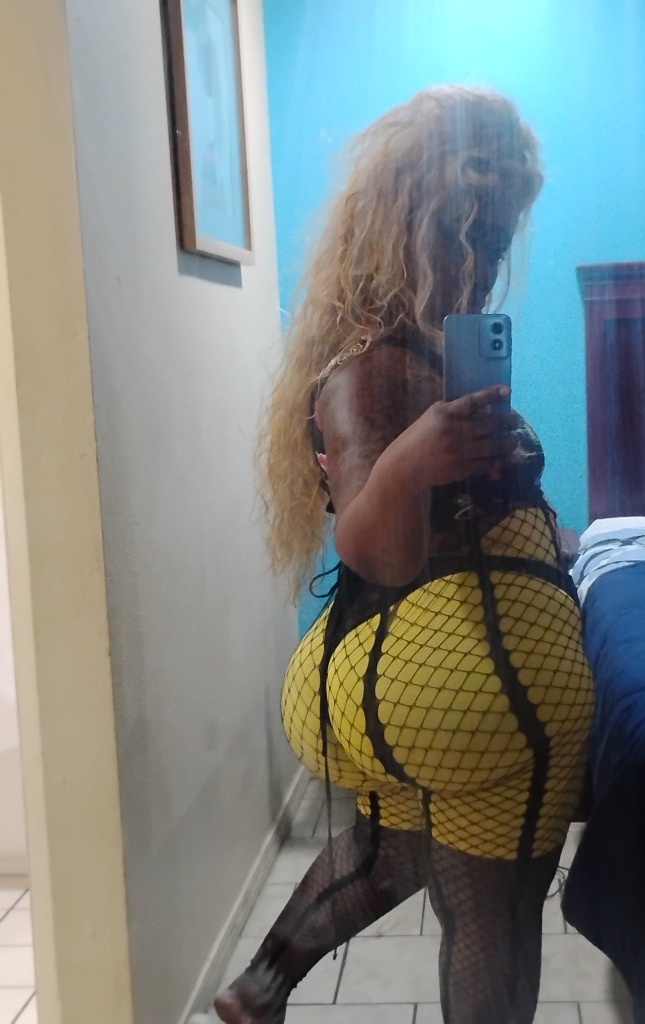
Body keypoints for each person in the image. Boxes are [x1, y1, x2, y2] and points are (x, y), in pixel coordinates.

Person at [215, 85, 594, 1024]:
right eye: (467, 236)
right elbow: (373, 549)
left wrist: (545, 534)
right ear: (404, 226)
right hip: (469, 693)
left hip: (401, 681)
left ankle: (259, 989)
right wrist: (411, 465)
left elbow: (458, 517)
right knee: (493, 918)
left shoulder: (406, 351)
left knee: (392, 851)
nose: (484, 263)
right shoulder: (373, 365)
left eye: (496, 242)